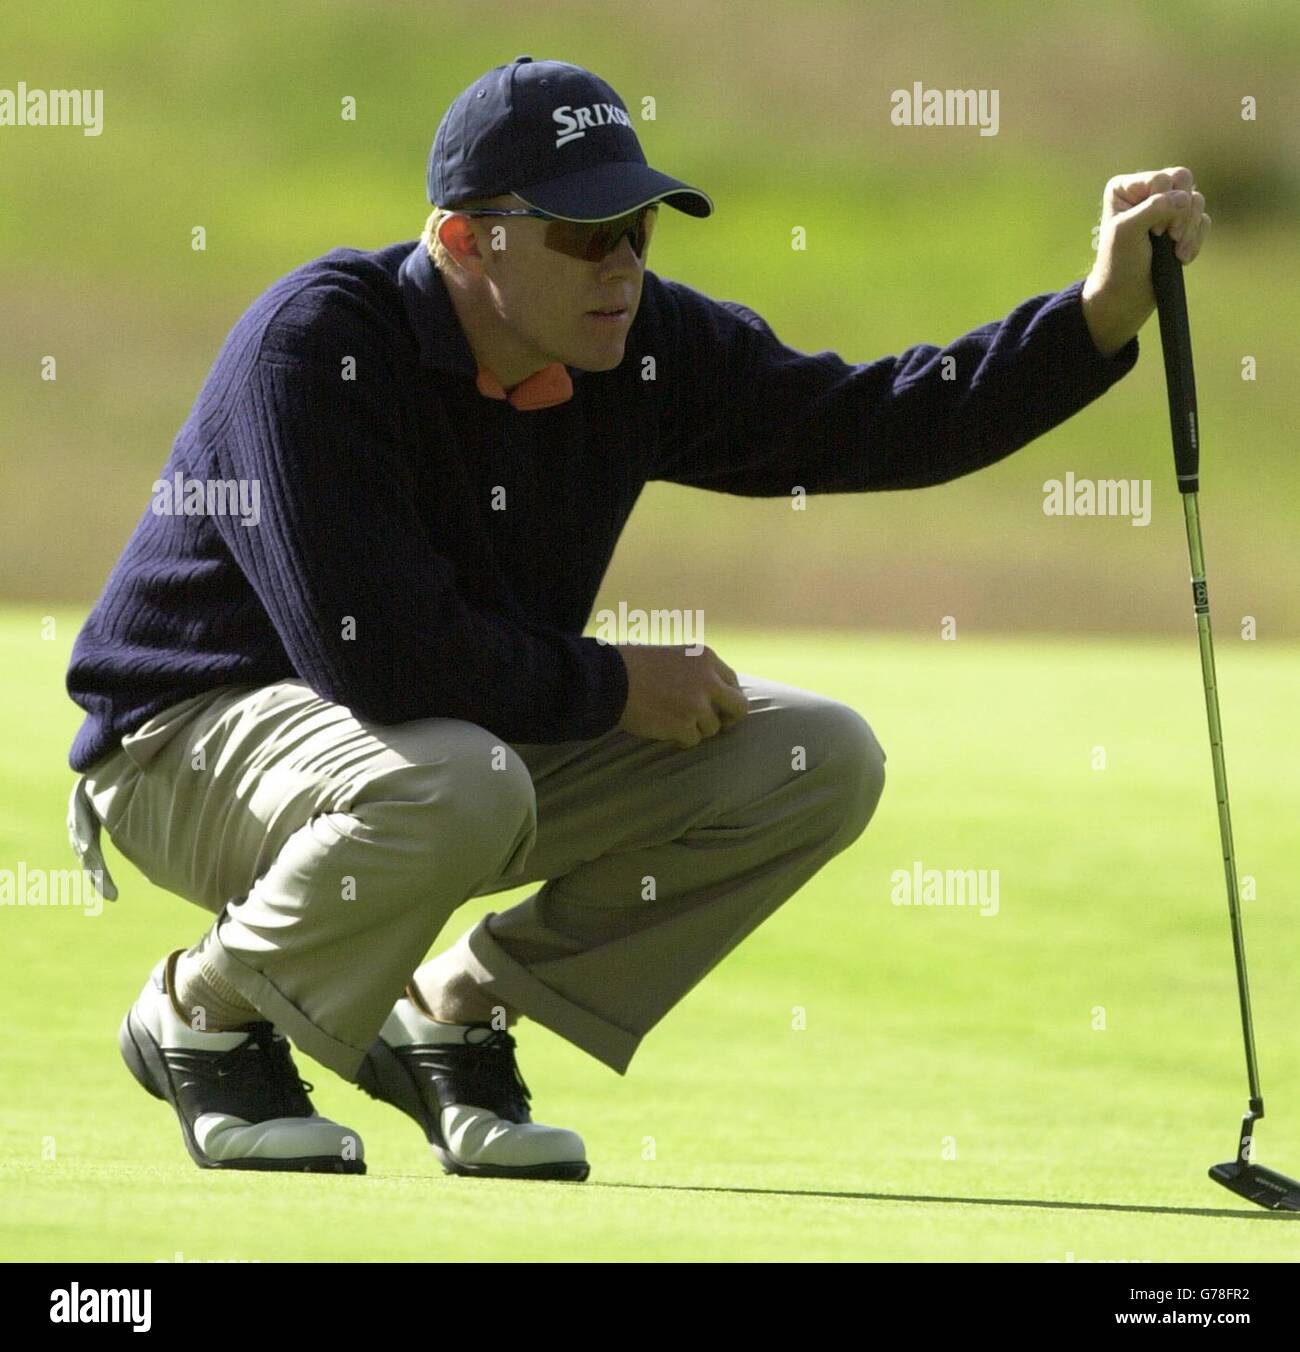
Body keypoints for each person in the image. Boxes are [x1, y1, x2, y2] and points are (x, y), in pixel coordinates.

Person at [64, 56, 1209, 1181]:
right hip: (185, 743)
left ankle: (451, 1007)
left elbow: (875, 422)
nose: (620, 265)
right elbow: (379, 650)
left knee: (817, 756)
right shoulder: (319, 344)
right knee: (461, 777)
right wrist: (611, 685)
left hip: (449, 746)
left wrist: (1097, 312)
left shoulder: (639, 346)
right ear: (466, 239)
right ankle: (202, 1015)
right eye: (582, 234)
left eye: (638, 230)